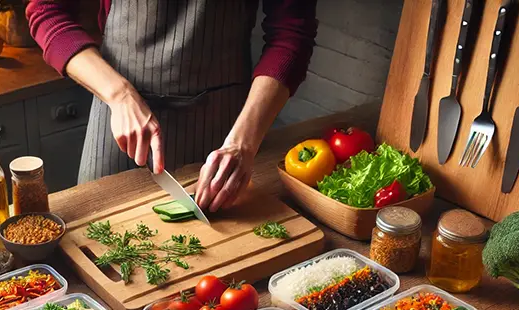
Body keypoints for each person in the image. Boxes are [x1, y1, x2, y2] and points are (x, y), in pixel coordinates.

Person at [27, 0, 317, 211]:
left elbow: (291, 35)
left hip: (225, 134)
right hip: (119, 119)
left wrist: (243, 144)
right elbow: (47, 11)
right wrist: (119, 95)